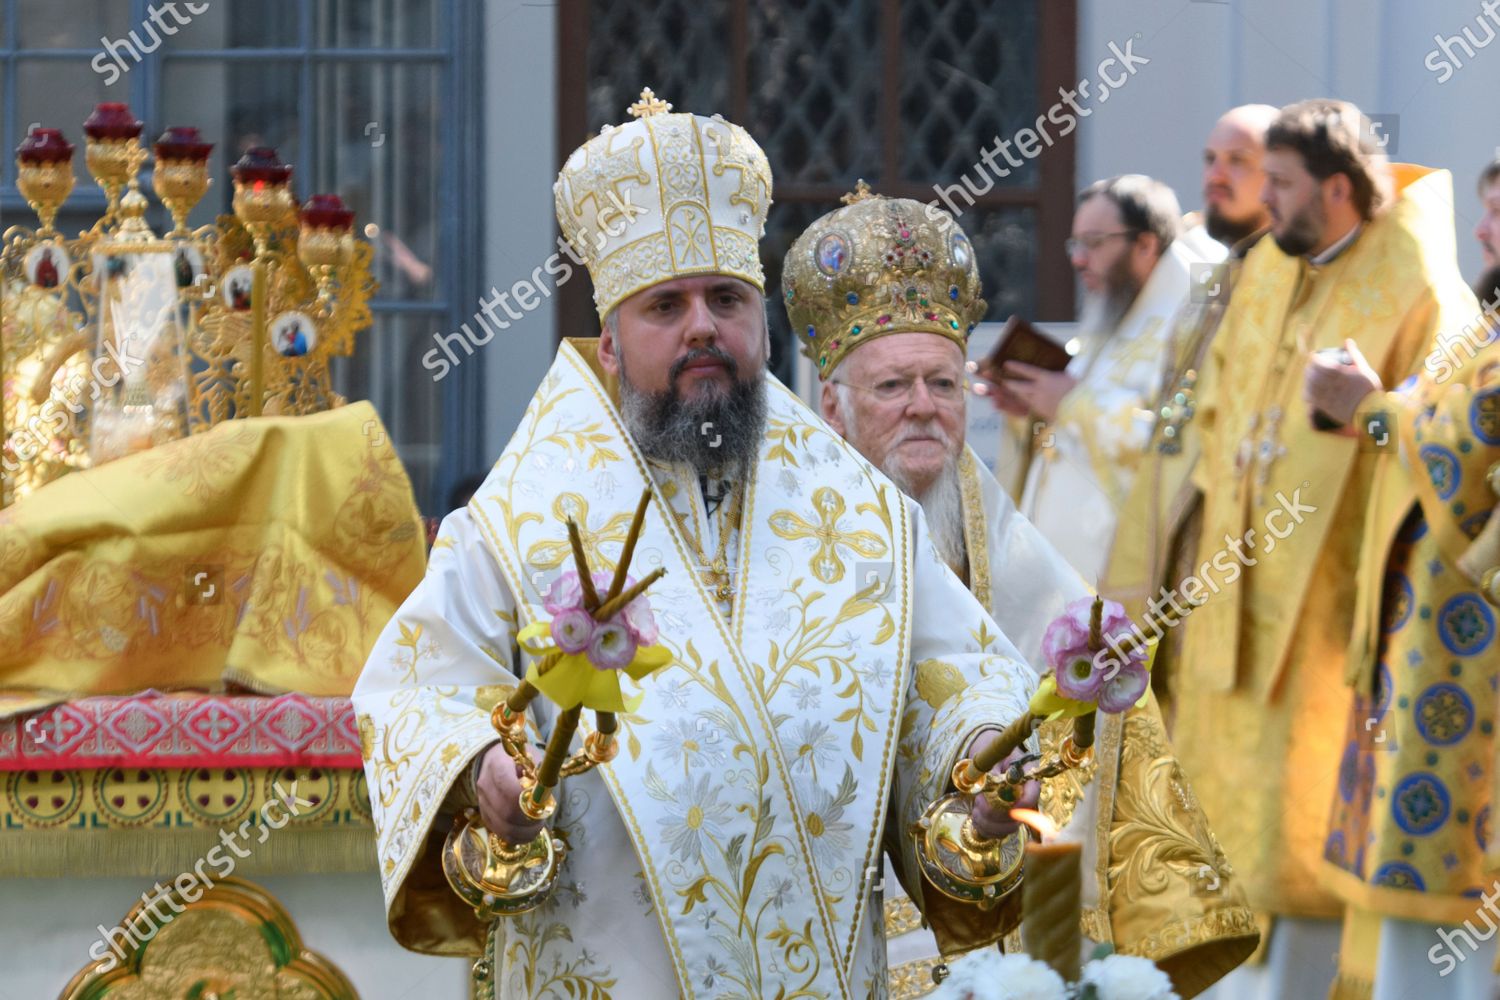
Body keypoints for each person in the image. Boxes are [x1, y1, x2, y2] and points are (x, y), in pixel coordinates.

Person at [353, 90, 1043, 998]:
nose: (702, 327)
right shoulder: (517, 520)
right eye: (664, 306)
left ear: (761, 324)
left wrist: (987, 760)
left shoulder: (864, 515)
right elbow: (415, 691)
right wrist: (480, 774)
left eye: (726, 298)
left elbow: (950, 684)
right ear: (608, 345)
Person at [788, 184, 1259, 998]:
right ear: (832, 404)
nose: (925, 411)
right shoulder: (791, 537)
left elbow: (1093, 681)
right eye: (893, 388)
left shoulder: (1002, 535)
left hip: (995, 918)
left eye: (942, 385)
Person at [1174, 99, 1479, 999]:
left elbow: (1446, 447)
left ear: (1338, 187)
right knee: (1221, 839)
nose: (1263, 203)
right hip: (1235, 588)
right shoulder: (1271, 262)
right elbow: (1221, 402)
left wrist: (1367, 411)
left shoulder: (1422, 280)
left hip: (1334, 608)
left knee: (1302, 843)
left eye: (1282, 184)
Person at [1303, 162, 1497, 1000]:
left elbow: (1465, 448)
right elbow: (1435, 412)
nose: (1486, 234)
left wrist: (1367, 405)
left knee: (1451, 889)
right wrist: (1374, 403)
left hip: (1470, 654)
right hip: (1427, 642)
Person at [1099, 105, 1277, 717]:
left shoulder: (1285, 282)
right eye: (1210, 160)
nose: (1216, 176)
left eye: (1238, 162)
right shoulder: (1218, 278)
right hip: (1168, 528)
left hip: (1230, 538)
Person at [992, 175, 1225, 582]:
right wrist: (1031, 409)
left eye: (1095, 243)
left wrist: (1070, 405)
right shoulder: (1112, 318)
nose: (1079, 259)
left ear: (1146, 244)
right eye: (1075, 244)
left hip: (1117, 567)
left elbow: (1178, 445)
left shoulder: (1189, 330)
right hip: (1060, 566)